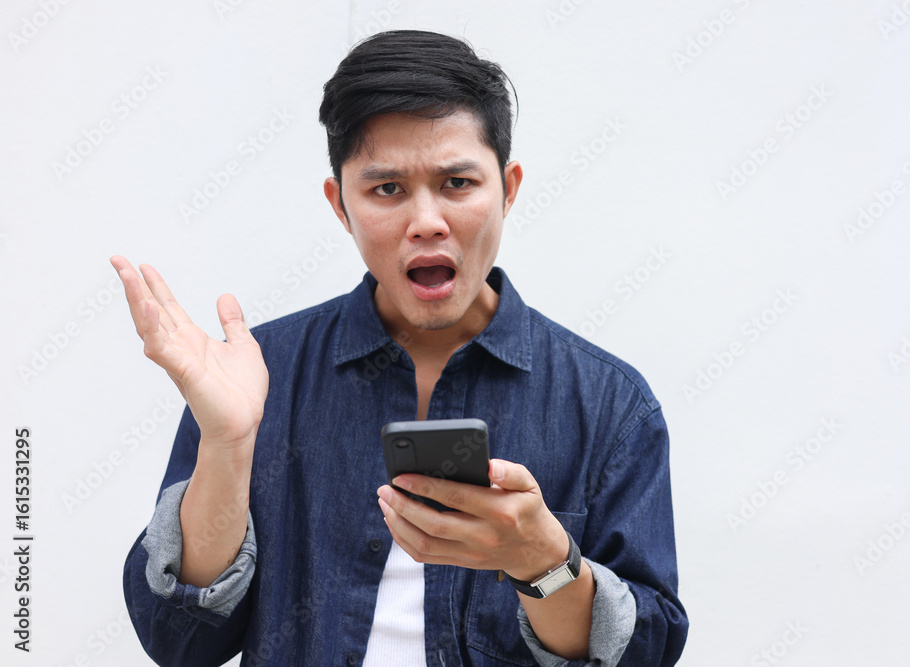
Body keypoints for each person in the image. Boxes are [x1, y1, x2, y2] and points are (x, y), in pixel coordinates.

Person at [116, 29, 687, 666]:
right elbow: (180, 641)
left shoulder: (609, 403)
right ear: (340, 205)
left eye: (458, 182)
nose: (426, 222)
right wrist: (227, 444)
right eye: (386, 189)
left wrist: (543, 563)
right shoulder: (254, 375)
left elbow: (642, 652)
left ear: (509, 188)